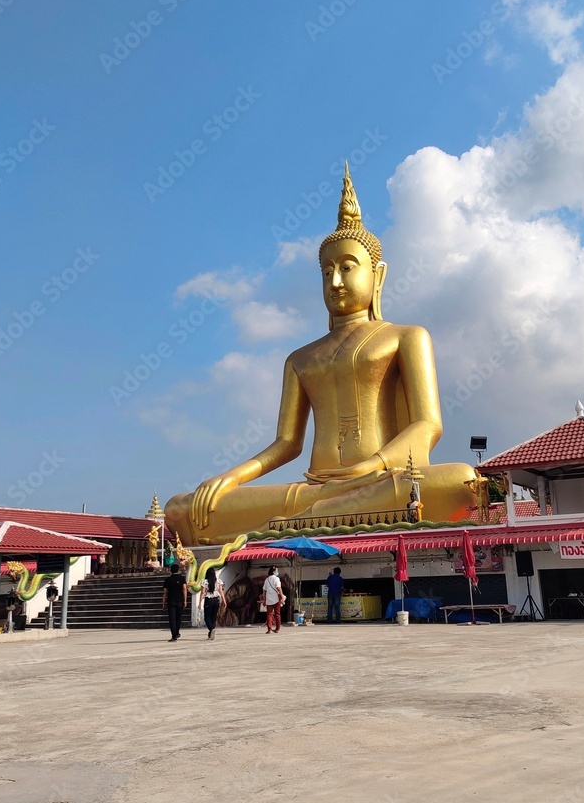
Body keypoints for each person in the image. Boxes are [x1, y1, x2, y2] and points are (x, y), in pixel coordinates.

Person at [166, 167, 478, 545]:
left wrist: (371, 465)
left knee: (461, 480)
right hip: (312, 489)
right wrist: (231, 477)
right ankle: (301, 517)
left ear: (377, 275)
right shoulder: (300, 358)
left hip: (381, 481)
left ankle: (285, 524)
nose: (335, 281)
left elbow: (427, 427)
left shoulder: (406, 337)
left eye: (348, 267)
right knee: (181, 508)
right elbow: (286, 445)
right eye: (326, 271)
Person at [198, 568, 227, 640]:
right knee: (213, 617)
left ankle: (211, 629)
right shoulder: (218, 581)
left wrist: (200, 602)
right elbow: (221, 591)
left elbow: (203, 593)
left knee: (207, 618)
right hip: (216, 600)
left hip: (208, 600)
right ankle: (210, 634)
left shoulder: (205, 582)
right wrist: (224, 601)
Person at [162, 563, 188, 641]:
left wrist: (163, 603)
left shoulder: (167, 580)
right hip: (180, 600)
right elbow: (184, 589)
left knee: (172, 619)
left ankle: (174, 635)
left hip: (171, 601)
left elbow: (165, 592)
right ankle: (177, 632)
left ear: (171, 571)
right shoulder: (182, 578)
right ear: (178, 570)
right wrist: (185, 600)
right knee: (178, 618)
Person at [263, 566, 285, 635]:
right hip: (276, 599)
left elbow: (264, 591)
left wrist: (264, 600)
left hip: (269, 599)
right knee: (277, 614)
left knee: (269, 614)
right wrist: (282, 597)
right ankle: (277, 629)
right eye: (277, 571)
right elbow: (279, 588)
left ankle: (269, 629)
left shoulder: (267, 580)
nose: (277, 572)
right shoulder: (276, 579)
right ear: (273, 571)